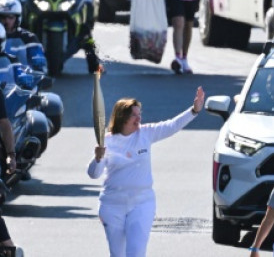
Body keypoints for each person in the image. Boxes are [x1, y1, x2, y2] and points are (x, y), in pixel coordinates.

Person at [88, 87, 205, 257]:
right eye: (134, 115)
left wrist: (194, 110)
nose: (139, 118)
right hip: (112, 205)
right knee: (117, 254)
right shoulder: (107, 141)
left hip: (141, 203)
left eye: (139, 114)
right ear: (123, 117)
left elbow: (171, 126)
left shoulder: (145, 134)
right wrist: (97, 158)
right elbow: (93, 173)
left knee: (136, 253)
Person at [0, 0, 48, 74]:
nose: (7, 21)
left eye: (10, 17)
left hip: (22, 80)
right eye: (3, 17)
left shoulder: (29, 38)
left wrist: (37, 74)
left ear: (17, 18)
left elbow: (39, 64)